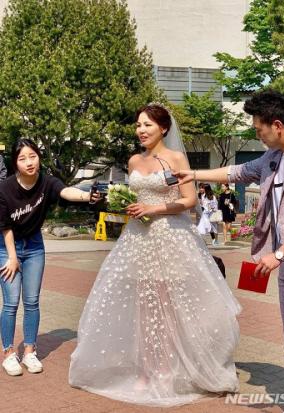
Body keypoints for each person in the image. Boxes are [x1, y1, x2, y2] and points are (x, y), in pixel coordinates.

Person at [69, 103, 240, 407]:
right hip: (138, 239)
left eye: (147, 125)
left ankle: (167, 370)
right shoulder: (134, 160)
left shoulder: (177, 159)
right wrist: (126, 204)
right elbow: (135, 197)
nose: (141, 130)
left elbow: (188, 201)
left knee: (167, 306)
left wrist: (154, 209)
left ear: (163, 128)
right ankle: (147, 370)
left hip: (171, 238)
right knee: (144, 306)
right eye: (138, 125)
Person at [175, 89, 284, 413]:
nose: (257, 135)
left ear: (276, 124)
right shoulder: (272, 159)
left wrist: (280, 254)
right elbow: (235, 173)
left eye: (259, 130)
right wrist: (194, 174)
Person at [0, 139, 100, 376]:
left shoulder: (47, 182)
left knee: (32, 301)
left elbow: (66, 191)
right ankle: (8, 353)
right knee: (12, 303)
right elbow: (4, 227)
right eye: (22, 158)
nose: (29, 162)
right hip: (7, 247)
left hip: (35, 246)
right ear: (15, 163)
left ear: (39, 157)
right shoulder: (4, 188)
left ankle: (30, 352)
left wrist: (88, 197)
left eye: (32, 156)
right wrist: (12, 257)